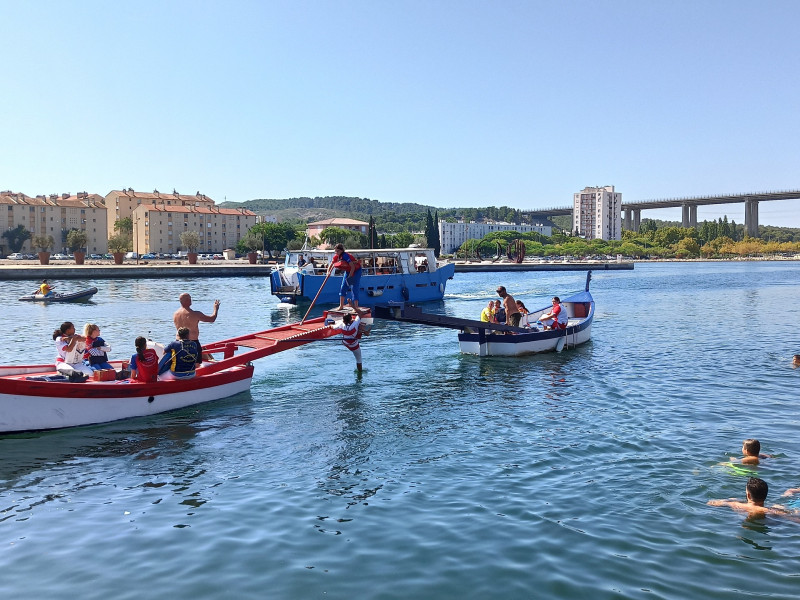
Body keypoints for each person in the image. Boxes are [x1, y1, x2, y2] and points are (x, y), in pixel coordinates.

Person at [708, 478, 797, 518]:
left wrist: (727, 500)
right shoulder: (771, 510)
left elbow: (711, 503)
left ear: (748, 495)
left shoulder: (735, 504)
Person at [173, 293, 219, 361]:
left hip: (178, 342)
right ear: (187, 300)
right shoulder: (195, 314)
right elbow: (212, 319)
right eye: (189, 298)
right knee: (196, 363)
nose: (191, 300)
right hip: (192, 343)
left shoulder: (175, 314)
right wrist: (216, 309)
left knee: (181, 362)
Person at [327, 244, 362, 311]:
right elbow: (331, 264)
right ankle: (341, 306)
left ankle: (356, 307)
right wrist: (328, 272)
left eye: (338, 251)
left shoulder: (345, 256)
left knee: (354, 288)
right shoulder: (336, 257)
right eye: (335, 251)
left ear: (341, 250)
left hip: (356, 271)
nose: (336, 253)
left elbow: (353, 267)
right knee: (343, 287)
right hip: (348, 271)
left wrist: (350, 277)